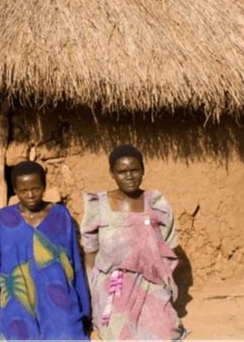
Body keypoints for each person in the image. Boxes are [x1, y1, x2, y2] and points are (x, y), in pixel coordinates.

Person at [81, 144, 186, 340]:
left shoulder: (155, 203)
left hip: (150, 282)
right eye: (122, 171)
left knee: (166, 332)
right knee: (118, 335)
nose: (129, 176)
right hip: (114, 284)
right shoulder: (99, 205)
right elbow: (90, 251)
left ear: (143, 170)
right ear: (112, 173)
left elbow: (168, 245)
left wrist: (162, 282)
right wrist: (94, 290)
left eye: (134, 170)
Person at [0, 161, 90, 340]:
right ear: (15, 191)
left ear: (45, 187)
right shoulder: (4, 219)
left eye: (36, 189)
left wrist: (83, 310)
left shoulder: (60, 216)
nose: (31, 195)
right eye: (23, 191)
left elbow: (75, 264)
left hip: (58, 301)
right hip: (18, 302)